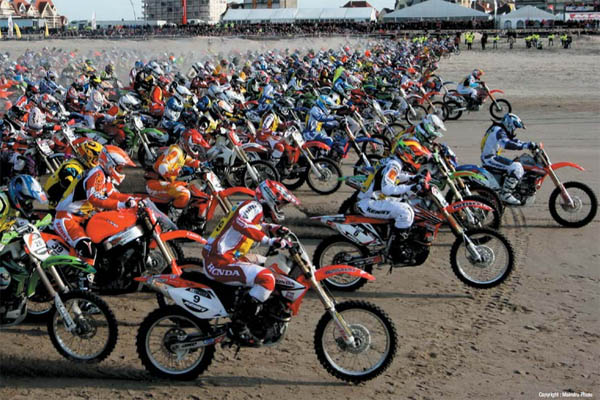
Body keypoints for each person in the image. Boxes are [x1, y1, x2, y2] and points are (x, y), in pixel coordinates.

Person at [202, 180, 299, 345]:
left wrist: (272, 228)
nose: (280, 207)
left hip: (225, 257)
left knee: (267, 263)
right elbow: (240, 223)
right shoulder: (254, 206)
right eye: (280, 203)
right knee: (267, 279)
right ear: (270, 198)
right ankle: (239, 326)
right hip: (219, 262)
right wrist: (269, 240)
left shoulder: (253, 208)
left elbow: (254, 224)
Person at [54, 145, 136, 265]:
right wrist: (121, 204)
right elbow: (94, 198)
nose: (121, 171)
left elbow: (112, 194)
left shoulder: (104, 175)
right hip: (67, 218)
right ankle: (84, 277)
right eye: (119, 168)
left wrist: (131, 198)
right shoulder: (97, 174)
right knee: (88, 250)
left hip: (82, 218)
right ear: (110, 163)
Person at [356, 146, 417, 241]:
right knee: (406, 212)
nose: (414, 158)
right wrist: (410, 187)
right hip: (369, 202)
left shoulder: (391, 160)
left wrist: (413, 178)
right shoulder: (394, 165)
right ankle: (396, 245)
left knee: (406, 203)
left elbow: (394, 177)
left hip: (371, 197)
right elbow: (387, 189)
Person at [145, 129, 208, 215]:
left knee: (191, 188)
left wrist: (200, 164)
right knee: (185, 193)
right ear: (185, 142)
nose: (195, 148)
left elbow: (188, 160)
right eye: (194, 146)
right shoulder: (175, 151)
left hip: (164, 182)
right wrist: (176, 171)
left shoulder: (181, 152)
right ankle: (172, 217)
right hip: (156, 183)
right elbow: (162, 167)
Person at [480, 113, 536, 205]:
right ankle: (505, 193)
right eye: (515, 127)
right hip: (490, 158)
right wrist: (526, 146)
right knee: (517, 167)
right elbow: (506, 143)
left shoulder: (498, 129)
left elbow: (512, 141)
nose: (514, 130)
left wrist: (527, 144)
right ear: (510, 124)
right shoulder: (499, 131)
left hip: (491, 157)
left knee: (517, 163)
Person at [44, 140, 103, 208]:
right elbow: (67, 180)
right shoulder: (74, 166)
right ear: (87, 156)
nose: (98, 162)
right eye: (96, 160)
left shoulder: (82, 166)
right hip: (59, 204)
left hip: (65, 202)